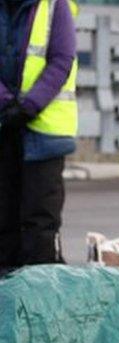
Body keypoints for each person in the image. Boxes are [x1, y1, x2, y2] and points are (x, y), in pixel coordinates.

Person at [0, 0, 78, 269]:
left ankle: (41, 303)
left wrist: (27, 106)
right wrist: (6, 104)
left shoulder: (55, 6)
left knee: (40, 225)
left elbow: (61, 60)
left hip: (44, 133)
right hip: (4, 126)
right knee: (3, 224)